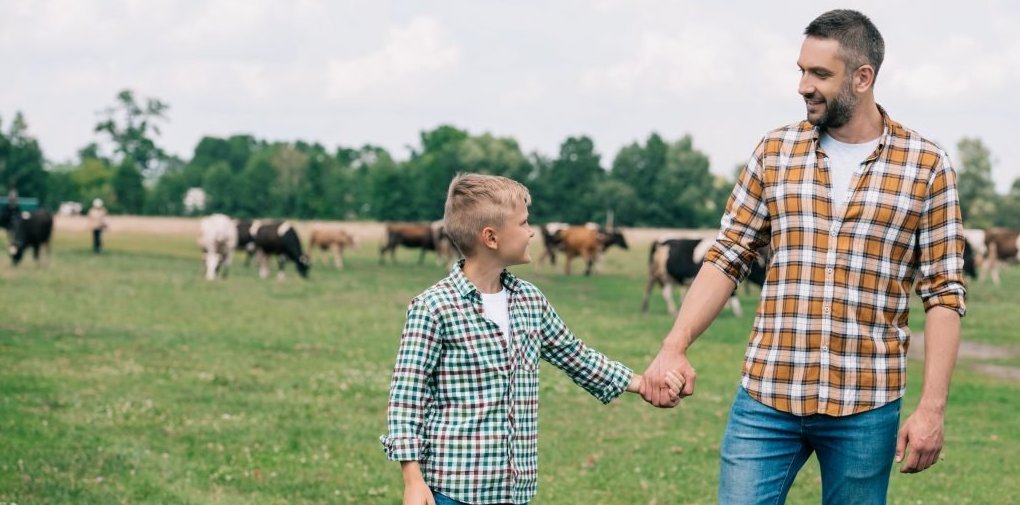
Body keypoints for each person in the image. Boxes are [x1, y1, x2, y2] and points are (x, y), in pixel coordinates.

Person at [640, 9, 966, 505]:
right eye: (801, 70)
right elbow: (728, 254)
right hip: (767, 395)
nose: (803, 86)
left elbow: (944, 293)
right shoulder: (775, 151)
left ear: (863, 78)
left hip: (867, 404)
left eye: (819, 74)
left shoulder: (926, 165)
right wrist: (674, 344)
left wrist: (932, 410)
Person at [381, 173, 684, 505]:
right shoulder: (432, 308)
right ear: (491, 238)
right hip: (452, 490)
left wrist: (641, 383)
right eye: (524, 223)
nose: (531, 231)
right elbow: (406, 398)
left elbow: (576, 356)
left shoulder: (530, 301)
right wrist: (412, 480)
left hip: (514, 491)